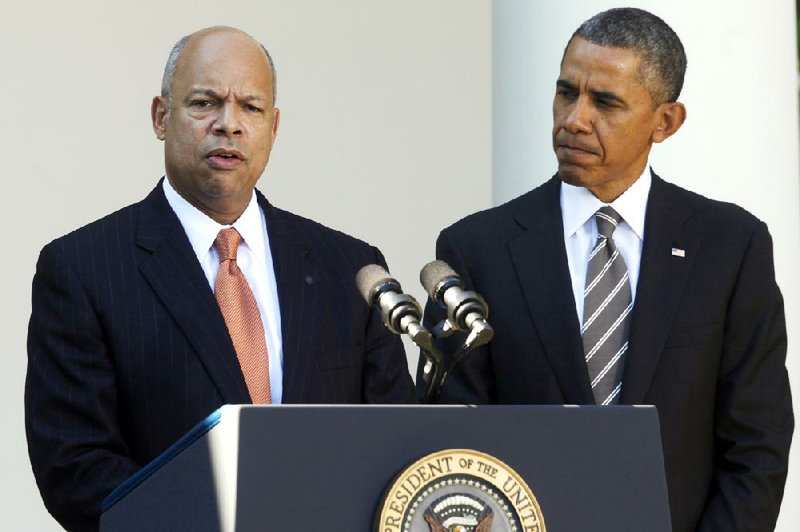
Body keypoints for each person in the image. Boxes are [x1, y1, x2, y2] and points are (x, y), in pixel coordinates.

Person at [26, 26, 415, 532]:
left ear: (274, 127)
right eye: (205, 103)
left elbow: (396, 442)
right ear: (161, 117)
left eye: (250, 108)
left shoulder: (350, 268)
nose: (228, 125)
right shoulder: (83, 268)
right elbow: (74, 467)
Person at [418, 8, 793, 532]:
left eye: (606, 102)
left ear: (666, 121)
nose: (574, 118)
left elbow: (757, 441)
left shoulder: (729, 247)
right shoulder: (476, 248)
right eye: (566, 92)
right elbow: (452, 438)